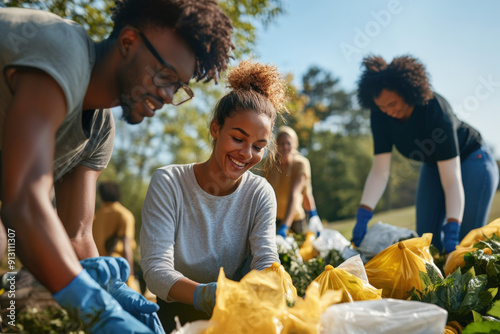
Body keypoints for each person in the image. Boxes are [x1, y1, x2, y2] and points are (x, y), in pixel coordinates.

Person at [0, 1, 233, 332]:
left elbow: (77, 235)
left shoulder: (98, 131)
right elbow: (23, 201)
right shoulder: (64, 51)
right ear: (127, 42)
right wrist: (94, 307)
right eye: (166, 76)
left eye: (178, 86)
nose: (169, 96)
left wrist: (114, 292)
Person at [140, 60, 286, 332]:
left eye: (258, 146)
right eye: (238, 138)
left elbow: (266, 259)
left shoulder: (260, 193)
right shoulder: (169, 183)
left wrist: (269, 287)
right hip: (176, 313)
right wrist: (205, 295)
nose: (246, 153)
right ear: (216, 129)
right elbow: (156, 271)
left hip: (235, 314)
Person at [351, 55, 499, 254]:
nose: (387, 111)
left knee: (466, 244)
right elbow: (379, 171)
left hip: (473, 160)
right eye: (381, 106)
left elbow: (452, 181)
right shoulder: (380, 115)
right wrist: (363, 214)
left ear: (407, 94)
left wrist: (453, 231)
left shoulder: (435, 110)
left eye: (392, 104)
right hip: (432, 165)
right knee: (427, 240)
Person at [264, 126, 323, 237]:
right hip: (274, 218)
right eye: (281, 143)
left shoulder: (301, 164)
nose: (285, 147)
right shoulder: (269, 165)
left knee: (299, 252)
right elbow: (263, 192)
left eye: (288, 143)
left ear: (295, 144)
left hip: (296, 219)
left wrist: (313, 215)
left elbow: (296, 194)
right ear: (276, 145)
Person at [93, 181, 139, 291]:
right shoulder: (124, 214)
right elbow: (126, 247)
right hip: (118, 268)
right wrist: (130, 277)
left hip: (99, 268)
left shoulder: (96, 216)